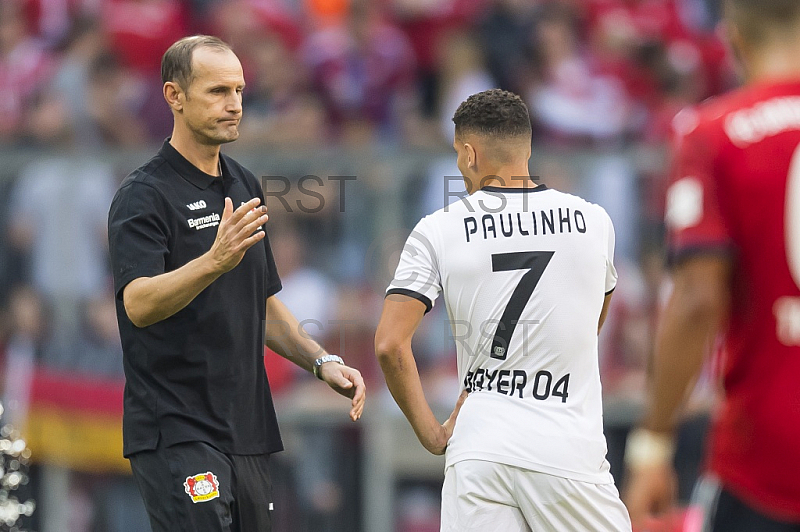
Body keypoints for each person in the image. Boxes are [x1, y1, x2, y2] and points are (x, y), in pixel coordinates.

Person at [107, 35, 366, 532]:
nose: (235, 105)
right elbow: (137, 303)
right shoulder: (143, 195)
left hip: (247, 429)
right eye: (217, 91)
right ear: (173, 96)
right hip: (177, 430)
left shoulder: (243, 183)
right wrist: (213, 261)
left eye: (240, 91)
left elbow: (263, 303)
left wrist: (321, 360)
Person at [375, 89, 632, 532]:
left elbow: (389, 344)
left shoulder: (436, 231)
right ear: (528, 147)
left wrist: (432, 433)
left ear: (470, 154)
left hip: (480, 446)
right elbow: (592, 320)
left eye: (458, 155)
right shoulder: (595, 222)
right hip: (567, 448)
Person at [622, 1, 800, 530]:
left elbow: (699, 300)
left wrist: (653, 444)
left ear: (733, 38)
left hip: (764, 457)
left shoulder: (713, 133)